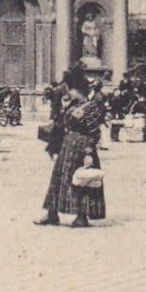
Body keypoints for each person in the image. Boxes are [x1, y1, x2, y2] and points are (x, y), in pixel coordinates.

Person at [37, 70, 107, 227]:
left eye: (71, 89)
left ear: (77, 90)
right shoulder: (74, 104)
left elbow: (94, 132)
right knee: (58, 181)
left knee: (80, 183)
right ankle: (52, 213)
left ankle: (81, 216)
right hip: (67, 146)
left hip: (82, 148)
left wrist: (89, 153)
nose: (69, 92)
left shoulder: (90, 107)